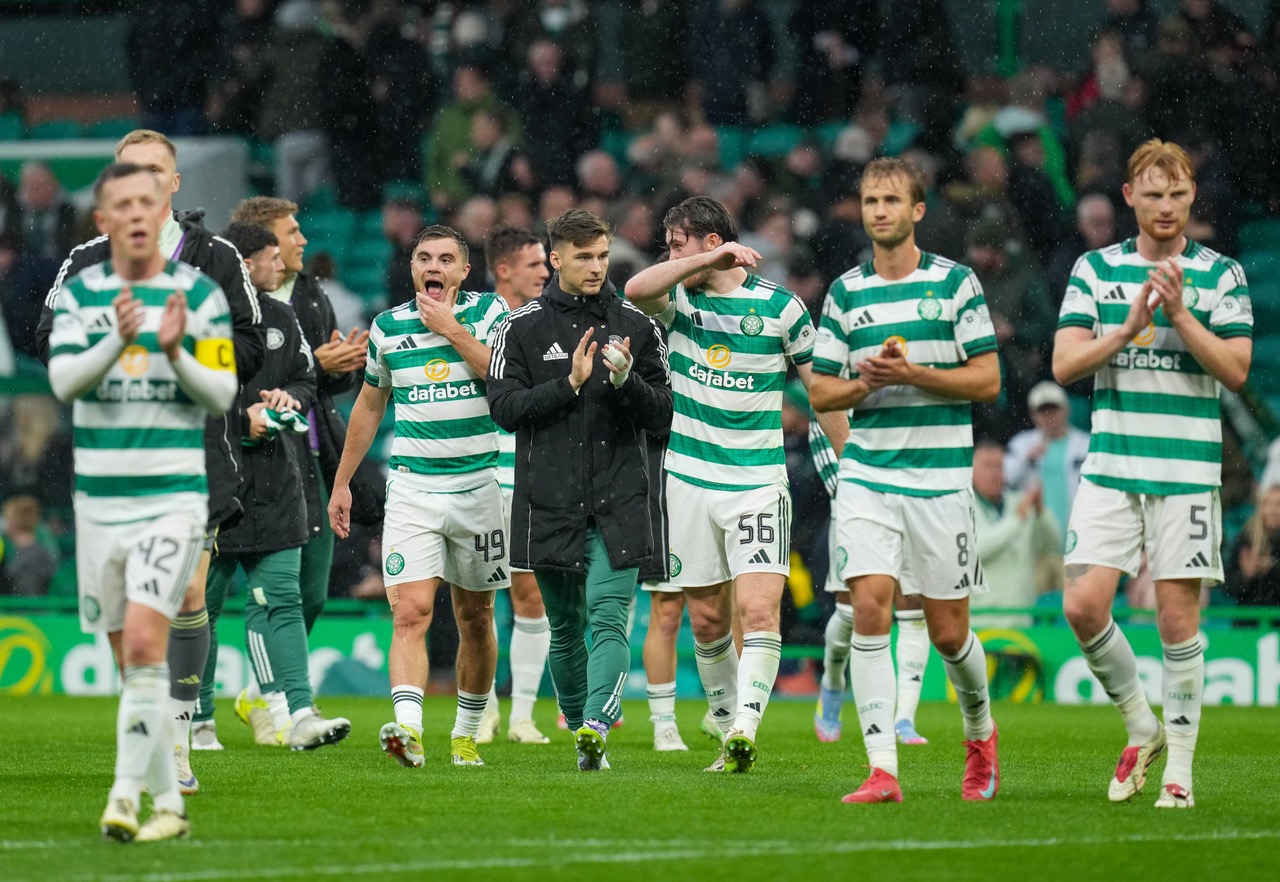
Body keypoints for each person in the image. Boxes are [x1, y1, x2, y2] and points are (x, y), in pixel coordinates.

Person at [36, 129, 264, 796]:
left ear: (174, 182)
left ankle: (183, 732)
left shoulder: (216, 258)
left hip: (195, 452)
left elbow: (248, 347)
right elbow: (50, 340)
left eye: (154, 172)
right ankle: (157, 739)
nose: (142, 186)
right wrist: (118, 347)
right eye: (128, 173)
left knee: (187, 595)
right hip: (110, 460)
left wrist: (187, 351)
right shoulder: (83, 261)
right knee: (126, 631)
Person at [1053, 139, 1252, 809]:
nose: (1165, 205)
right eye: (1152, 193)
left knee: (1176, 622)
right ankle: (1143, 722)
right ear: (1129, 197)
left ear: (1192, 195)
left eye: (1177, 193)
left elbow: (1235, 369)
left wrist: (1178, 315)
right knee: (1080, 605)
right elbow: (1065, 365)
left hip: (1188, 472)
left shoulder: (1222, 273)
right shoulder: (1094, 269)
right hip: (1111, 468)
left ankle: (1181, 775)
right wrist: (1129, 325)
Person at [624, 196, 846, 773]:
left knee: (759, 609)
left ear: (713, 238)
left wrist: (853, 468)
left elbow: (821, 395)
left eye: (678, 244)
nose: (669, 256)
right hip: (689, 480)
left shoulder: (781, 309)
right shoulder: (679, 300)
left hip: (756, 482)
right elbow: (636, 289)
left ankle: (744, 730)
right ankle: (726, 727)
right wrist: (702, 260)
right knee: (706, 620)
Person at [809, 157, 1002, 804]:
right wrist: (867, 382)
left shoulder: (955, 284)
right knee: (869, 609)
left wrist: (915, 375)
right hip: (868, 475)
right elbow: (820, 392)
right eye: (870, 201)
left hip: (941, 481)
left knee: (948, 633)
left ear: (918, 210)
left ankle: (980, 732)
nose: (880, 211)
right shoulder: (845, 292)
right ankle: (882, 770)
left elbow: (988, 380)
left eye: (892, 200)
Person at [487, 209, 672, 771]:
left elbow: (664, 414)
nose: (596, 267)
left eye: (602, 255)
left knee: (608, 615)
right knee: (565, 628)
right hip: (549, 501)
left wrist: (623, 381)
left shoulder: (639, 327)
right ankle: (582, 736)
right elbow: (504, 411)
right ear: (557, 258)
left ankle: (595, 725)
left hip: (619, 498)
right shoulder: (518, 328)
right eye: (583, 256)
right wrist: (567, 384)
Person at [330, 225, 510, 768]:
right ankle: (408, 729)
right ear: (413, 270)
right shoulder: (388, 328)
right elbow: (368, 406)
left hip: (481, 486)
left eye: (446, 259)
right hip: (413, 489)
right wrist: (342, 482)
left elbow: (501, 378)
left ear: (463, 272)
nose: (434, 266)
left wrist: (453, 330)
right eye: (424, 258)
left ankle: (465, 732)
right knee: (410, 611)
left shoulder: (491, 315)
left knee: (476, 615)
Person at [194, 222, 350, 753]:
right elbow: (186, 399)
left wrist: (290, 399)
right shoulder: (197, 320)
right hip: (216, 479)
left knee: (282, 598)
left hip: (279, 479)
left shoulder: (283, 317)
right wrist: (243, 419)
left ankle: (298, 712)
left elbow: (308, 378)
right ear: (242, 263)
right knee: (202, 606)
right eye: (268, 258)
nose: (279, 264)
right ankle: (198, 717)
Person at [809, 421, 933, 747]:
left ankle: (904, 717)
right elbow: (820, 430)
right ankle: (833, 680)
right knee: (851, 613)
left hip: (911, 503)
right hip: (856, 509)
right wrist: (860, 492)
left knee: (912, 610)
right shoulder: (838, 382)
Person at [476, 226, 554, 745]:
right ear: (503, 269)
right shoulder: (477, 317)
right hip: (480, 475)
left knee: (531, 597)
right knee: (478, 601)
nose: (546, 273)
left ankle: (522, 714)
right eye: (534, 265)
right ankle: (480, 708)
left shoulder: (548, 322)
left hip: (528, 475)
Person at [971, 439, 1061, 628]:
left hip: (1022, 620)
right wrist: (1015, 521)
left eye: (999, 466)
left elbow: (1053, 544)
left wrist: (1040, 512)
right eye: (987, 466)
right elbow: (974, 551)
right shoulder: (961, 506)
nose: (995, 472)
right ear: (970, 472)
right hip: (980, 623)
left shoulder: (1018, 502)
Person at [1004, 381, 1090, 554]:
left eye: (1053, 409)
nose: (1048, 416)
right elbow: (1004, 480)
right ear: (1033, 415)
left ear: (1066, 410)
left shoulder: (1087, 444)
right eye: (1042, 411)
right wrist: (1026, 458)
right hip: (1035, 538)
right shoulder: (1021, 444)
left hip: (1077, 536)